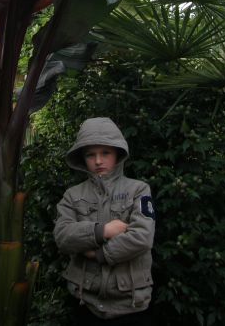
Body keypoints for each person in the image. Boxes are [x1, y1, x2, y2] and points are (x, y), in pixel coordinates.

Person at [54, 117, 155, 325]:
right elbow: (63, 237)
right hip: (84, 302)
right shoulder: (72, 196)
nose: (98, 161)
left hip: (131, 304)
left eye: (105, 153)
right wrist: (104, 231)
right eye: (91, 154)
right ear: (82, 158)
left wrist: (99, 254)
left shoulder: (139, 190)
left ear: (117, 154)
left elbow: (143, 237)